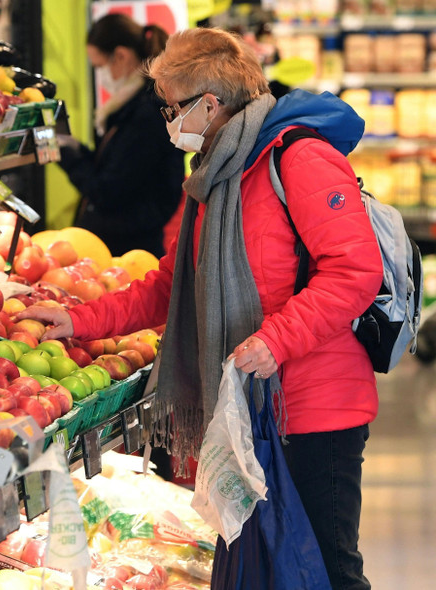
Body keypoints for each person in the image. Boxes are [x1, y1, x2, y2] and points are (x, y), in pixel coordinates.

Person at [20, 27, 382, 590]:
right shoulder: (215, 175)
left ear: (208, 104)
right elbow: (171, 285)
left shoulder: (299, 160)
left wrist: (275, 340)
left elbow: (353, 271)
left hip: (314, 407)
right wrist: (80, 320)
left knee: (326, 568)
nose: (168, 121)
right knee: (267, 567)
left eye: (171, 107)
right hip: (246, 407)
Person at [57, 14, 184, 258]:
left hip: (129, 250)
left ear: (121, 56)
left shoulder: (146, 113)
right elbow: (115, 168)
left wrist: (66, 154)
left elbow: (109, 190)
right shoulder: (133, 105)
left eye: (98, 66)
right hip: (124, 242)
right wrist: (74, 148)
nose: (100, 75)